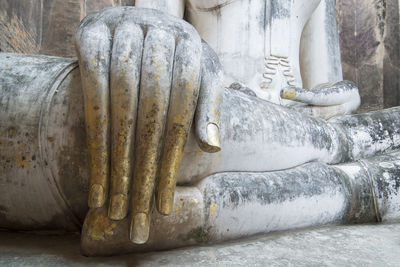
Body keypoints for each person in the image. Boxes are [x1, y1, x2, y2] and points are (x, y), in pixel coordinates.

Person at [0, 0, 399, 256]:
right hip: (216, 108)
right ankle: (351, 171)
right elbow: (156, 33)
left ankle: (347, 167)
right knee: (179, 123)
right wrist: (139, 26)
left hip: (296, 122)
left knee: (343, 141)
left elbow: (325, 82)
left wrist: (343, 96)